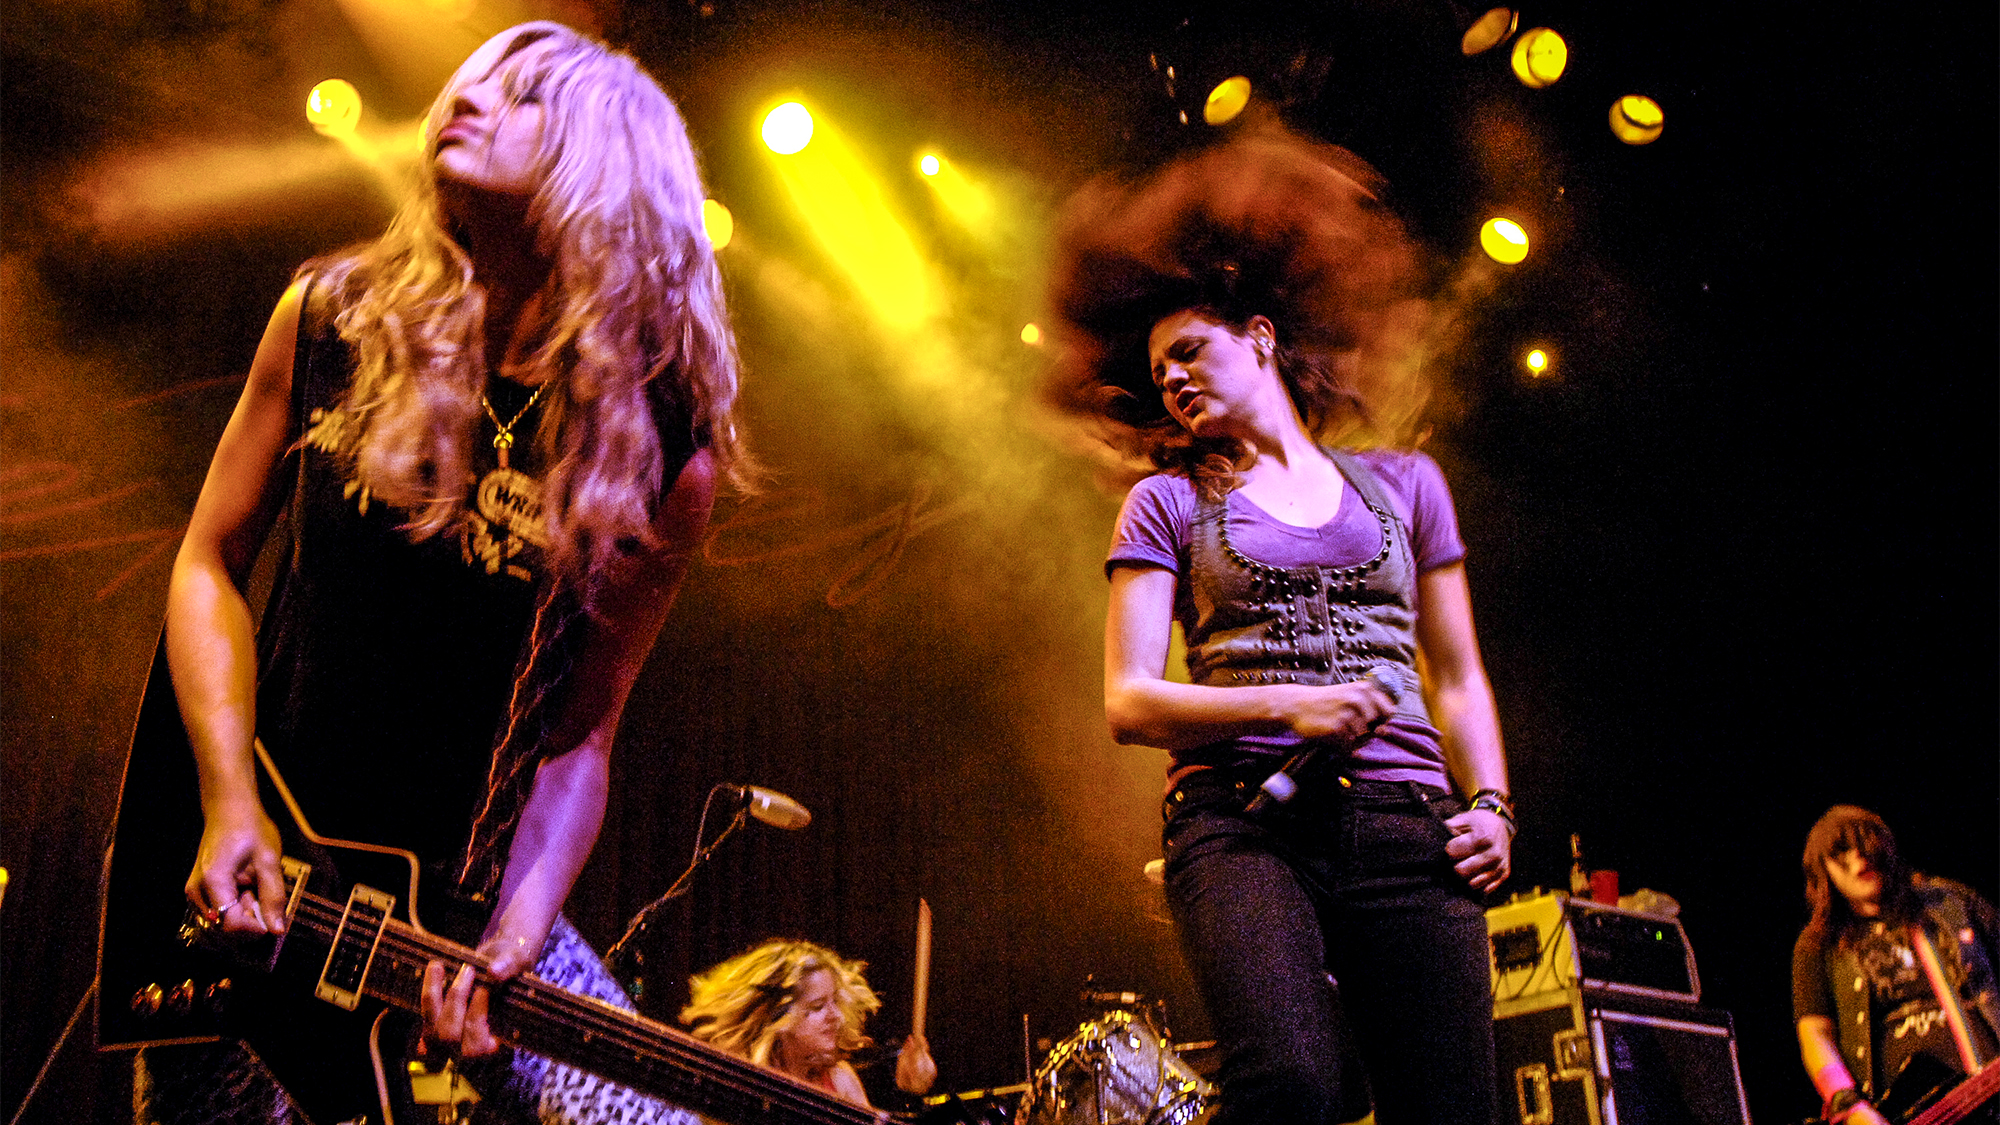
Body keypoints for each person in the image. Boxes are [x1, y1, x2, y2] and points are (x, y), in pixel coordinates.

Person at [146, 21, 748, 1125]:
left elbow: (578, 737)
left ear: (603, 163)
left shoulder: (663, 448)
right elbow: (207, 563)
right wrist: (227, 798)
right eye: (467, 83)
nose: (463, 100)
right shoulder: (332, 317)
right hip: (251, 862)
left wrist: (512, 942)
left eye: (519, 97)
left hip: (454, 905)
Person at [1043, 129, 1512, 1125]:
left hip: (1410, 830)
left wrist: (1493, 807)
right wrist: (1289, 702)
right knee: (1290, 1088)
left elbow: (1458, 674)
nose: (1169, 379)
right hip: (1242, 827)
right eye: (1156, 369)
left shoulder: (1405, 486)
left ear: (1258, 335)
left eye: (1189, 352)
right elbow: (1127, 701)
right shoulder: (1163, 504)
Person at [1792, 806, 2000, 1124]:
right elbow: (1816, 1034)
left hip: (1989, 1093)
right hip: (1904, 1113)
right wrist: (1848, 1104)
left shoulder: (1951, 903)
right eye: (1841, 851)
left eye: (1868, 844)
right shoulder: (1819, 944)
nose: (1859, 857)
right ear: (1823, 871)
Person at [682, 939, 931, 1109]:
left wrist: (910, 1095)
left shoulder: (840, 1079)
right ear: (776, 1017)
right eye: (817, 1006)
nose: (836, 1016)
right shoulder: (738, 1084)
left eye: (835, 1001)